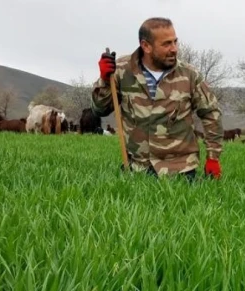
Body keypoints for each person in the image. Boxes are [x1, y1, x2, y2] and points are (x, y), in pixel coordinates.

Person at [91, 17, 223, 181]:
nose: (174, 49)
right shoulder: (121, 70)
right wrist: (104, 80)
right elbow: (99, 110)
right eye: (166, 44)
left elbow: (211, 113)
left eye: (175, 42)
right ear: (146, 46)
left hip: (181, 170)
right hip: (137, 168)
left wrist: (213, 157)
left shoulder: (189, 74)